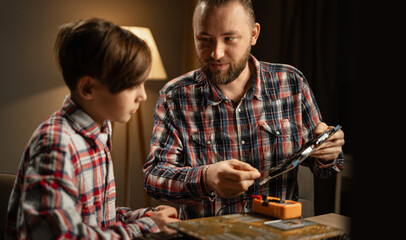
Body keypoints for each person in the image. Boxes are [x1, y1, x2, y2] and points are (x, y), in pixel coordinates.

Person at [142, 0, 345, 219]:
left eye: (229, 38)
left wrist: (328, 153)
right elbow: (154, 179)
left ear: (254, 34)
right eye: (205, 40)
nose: (216, 53)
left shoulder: (292, 83)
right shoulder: (174, 96)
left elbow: (327, 169)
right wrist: (206, 178)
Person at [4, 18, 180, 239]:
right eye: (132, 85)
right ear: (88, 88)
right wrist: (146, 227)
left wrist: (147, 216)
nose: (143, 95)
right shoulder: (57, 144)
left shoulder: (100, 131)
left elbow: (97, 220)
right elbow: (63, 235)